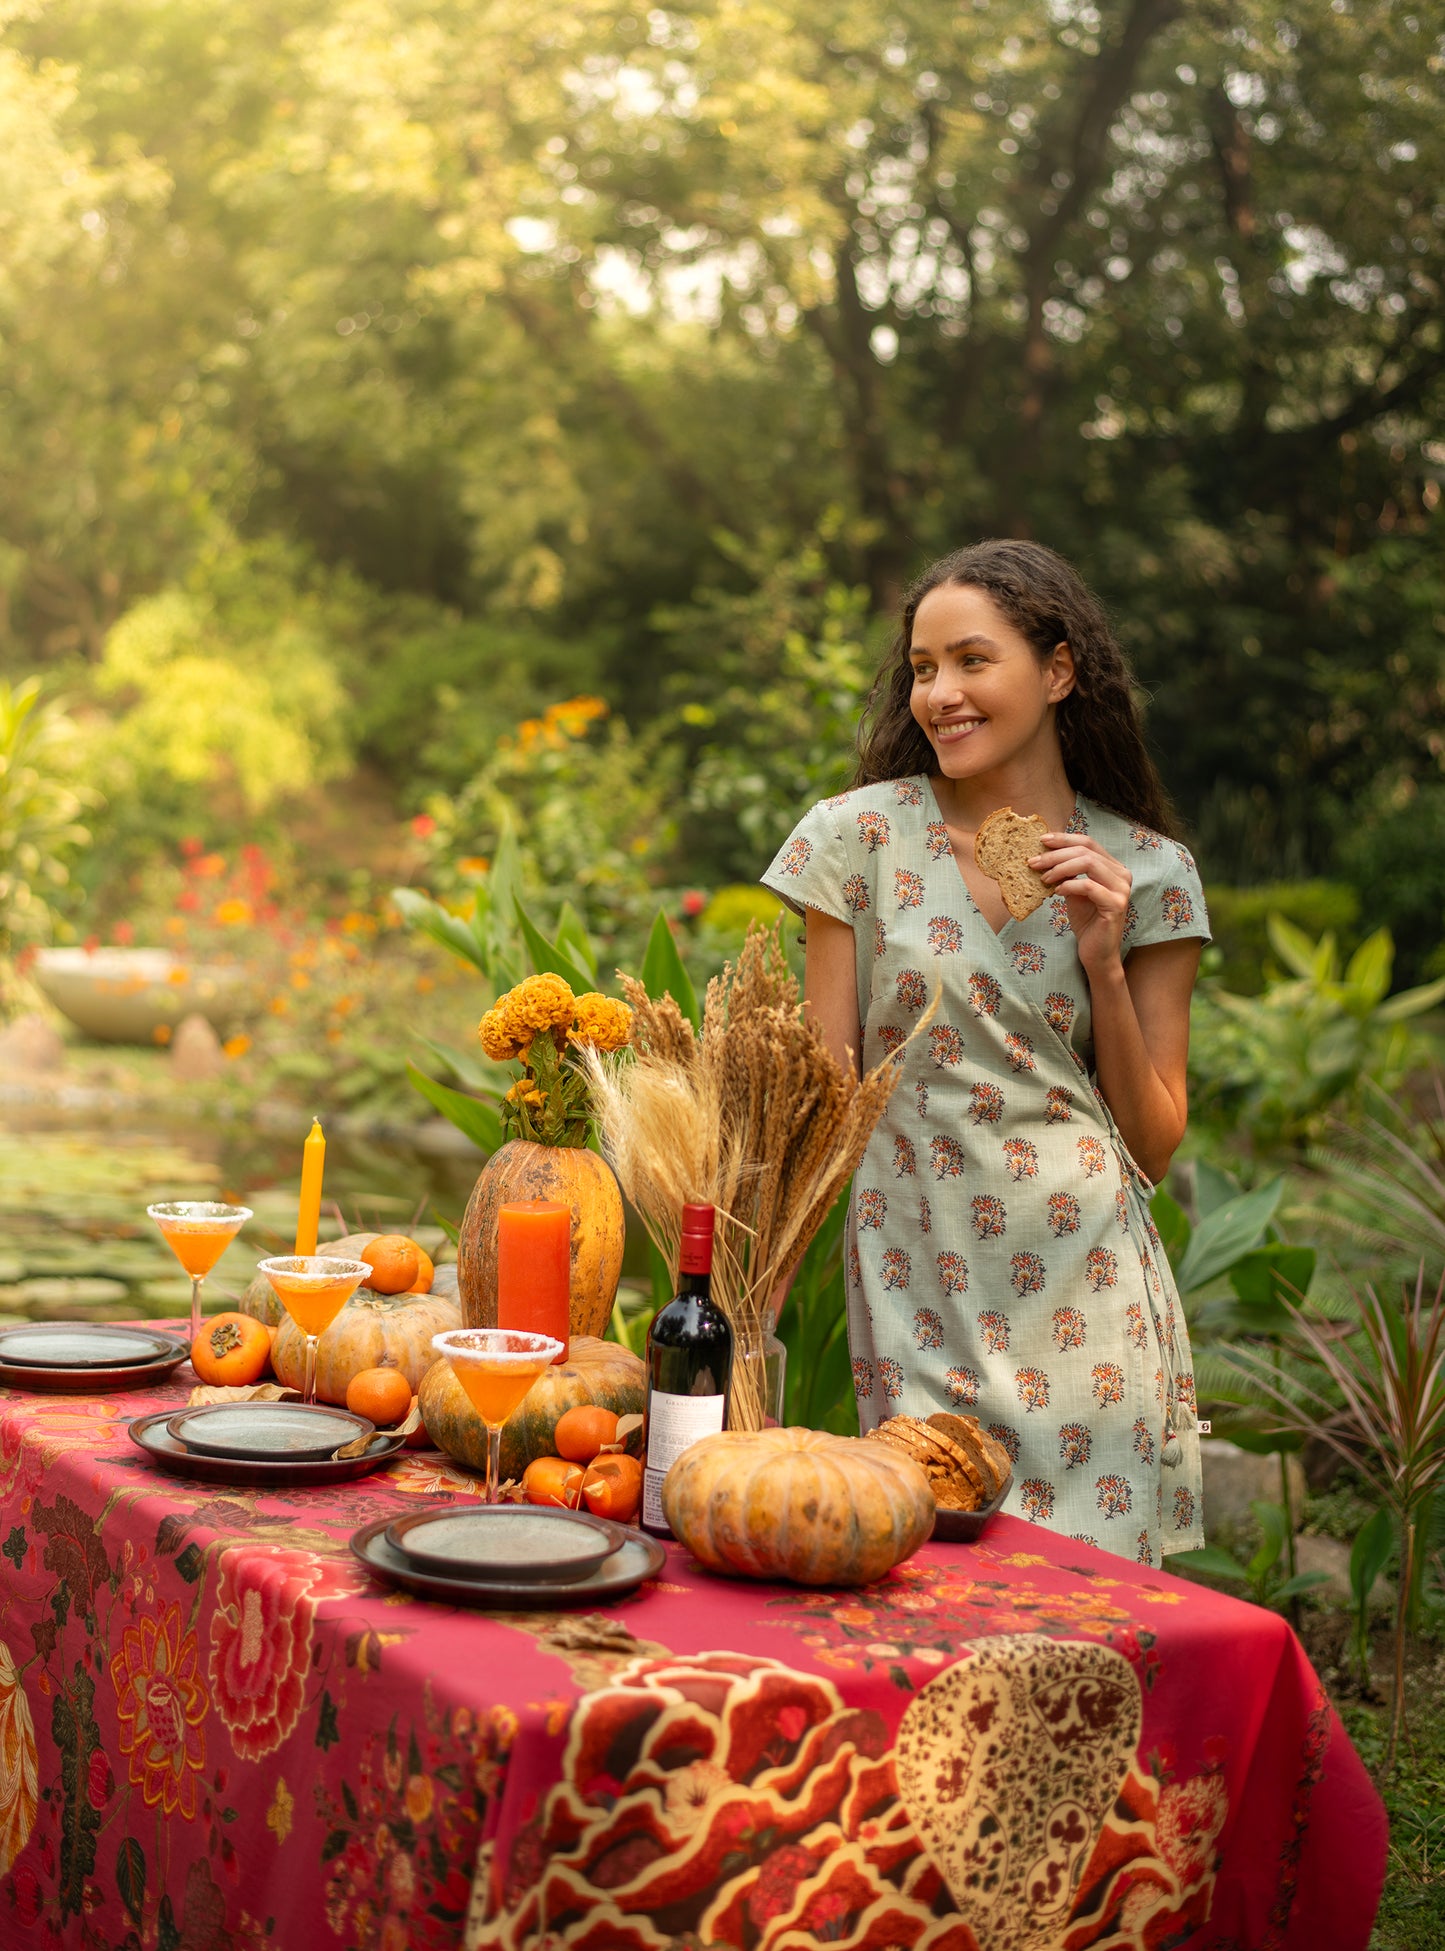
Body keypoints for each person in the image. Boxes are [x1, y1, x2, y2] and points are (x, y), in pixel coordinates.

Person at [761, 539, 1210, 1563]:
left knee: (1085, 1622)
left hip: (1084, 1299)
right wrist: (750, 1306)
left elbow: (1150, 1147)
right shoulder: (853, 842)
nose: (939, 694)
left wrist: (1102, 959)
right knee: (927, 1587)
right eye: (921, 669)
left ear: (1056, 671)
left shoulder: (1148, 871)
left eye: (971, 660)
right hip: (916, 1283)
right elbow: (823, 1096)